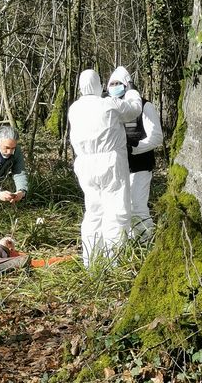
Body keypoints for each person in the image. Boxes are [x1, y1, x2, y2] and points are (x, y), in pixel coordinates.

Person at [68, 69, 142, 266]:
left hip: (84, 164)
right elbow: (134, 109)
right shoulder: (108, 104)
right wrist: (132, 90)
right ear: (99, 84)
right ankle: (114, 262)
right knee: (117, 211)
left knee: (93, 211)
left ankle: (90, 262)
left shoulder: (74, 108)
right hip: (110, 162)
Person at [107, 67, 164, 242]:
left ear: (127, 85)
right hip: (118, 167)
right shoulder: (110, 108)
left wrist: (134, 148)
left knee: (137, 205)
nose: (115, 86)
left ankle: (146, 242)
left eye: (119, 83)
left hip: (140, 165)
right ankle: (132, 242)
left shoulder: (145, 106)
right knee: (122, 208)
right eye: (112, 84)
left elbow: (156, 137)